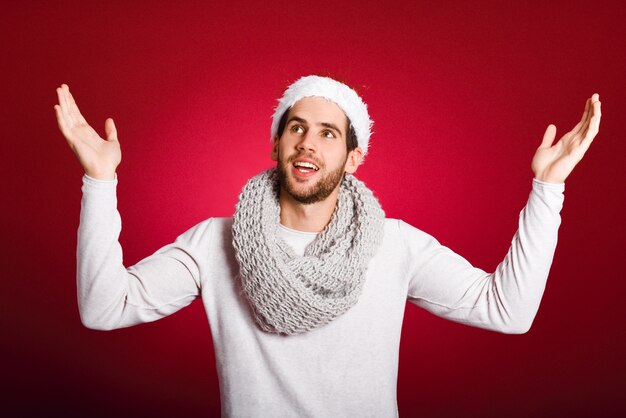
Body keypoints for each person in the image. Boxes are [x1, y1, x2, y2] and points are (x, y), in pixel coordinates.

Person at [54, 76, 601, 417]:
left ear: (353, 158)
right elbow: (105, 309)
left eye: (328, 132)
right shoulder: (215, 243)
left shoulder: (394, 246)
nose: (307, 142)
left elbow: (507, 311)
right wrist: (100, 181)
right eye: (295, 127)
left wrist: (547, 189)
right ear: (276, 143)